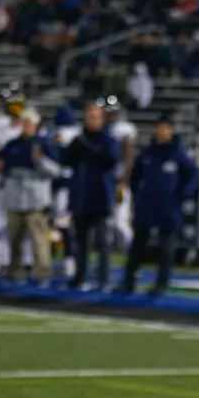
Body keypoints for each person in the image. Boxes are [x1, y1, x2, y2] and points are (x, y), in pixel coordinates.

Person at [121, 116, 199, 296]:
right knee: (137, 246)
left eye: (166, 128)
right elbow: (135, 175)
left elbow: (192, 176)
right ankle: (128, 281)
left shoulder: (178, 153)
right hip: (146, 206)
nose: (162, 132)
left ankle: (161, 284)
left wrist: (181, 195)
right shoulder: (147, 152)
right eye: (159, 128)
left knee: (166, 249)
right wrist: (138, 194)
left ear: (171, 130)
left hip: (168, 207)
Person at [59, 100, 122, 290]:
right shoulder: (79, 139)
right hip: (81, 196)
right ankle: (80, 277)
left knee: (102, 242)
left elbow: (111, 161)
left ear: (102, 119)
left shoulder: (108, 140)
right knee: (81, 241)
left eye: (95, 116)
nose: (92, 120)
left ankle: (103, 279)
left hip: (101, 196)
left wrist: (90, 150)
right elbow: (66, 162)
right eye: (89, 116)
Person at [0, 108, 57, 285]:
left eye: (30, 123)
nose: (26, 126)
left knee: (39, 240)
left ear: (36, 125)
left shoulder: (45, 144)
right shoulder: (12, 144)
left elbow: (57, 171)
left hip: (36, 199)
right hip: (15, 197)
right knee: (14, 239)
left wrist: (40, 161)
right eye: (24, 122)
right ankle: (14, 272)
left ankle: (42, 274)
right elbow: (3, 165)